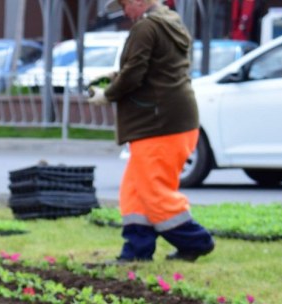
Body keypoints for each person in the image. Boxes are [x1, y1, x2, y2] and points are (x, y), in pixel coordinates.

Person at [89, 0, 215, 263]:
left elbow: (134, 73)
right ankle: (136, 250)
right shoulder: (169, 20)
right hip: (172, 120)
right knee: (134, 189)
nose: (124, 11)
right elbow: (155, 68)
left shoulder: (146, 27)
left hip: (158, 123)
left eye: (124, 4)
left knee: (153, 190)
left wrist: (107, 94)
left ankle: (195, 240)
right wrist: (114, 78)